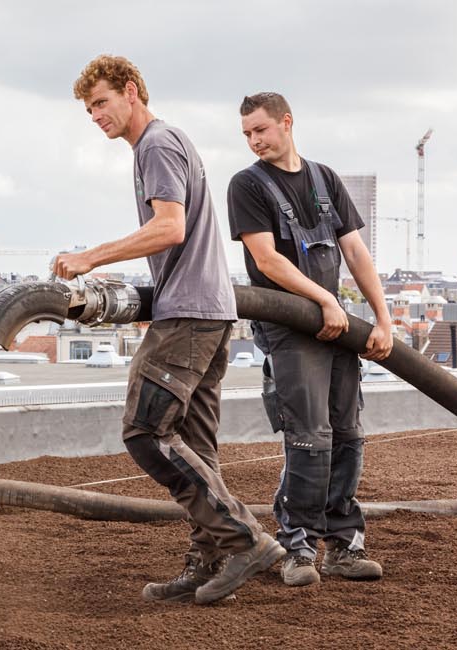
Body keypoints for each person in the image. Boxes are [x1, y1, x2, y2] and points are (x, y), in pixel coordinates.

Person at [56, 55, 284, 605]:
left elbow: (170, 226)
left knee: (145, 431)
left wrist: (90, 256)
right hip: (210, 312)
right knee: (196, 446)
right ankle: (209, 563)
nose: (95, 116)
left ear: (131, 92)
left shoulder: (157, 143)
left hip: (187, 316)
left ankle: (244, 541)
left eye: (102, 103)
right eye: (89, 110)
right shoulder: (162, 144)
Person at [227, 92, 391, 586]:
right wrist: (325, 299)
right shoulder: (247, 186)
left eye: (261, 130)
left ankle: (343, 545)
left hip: (338, 324)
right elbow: (267, 260)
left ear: (286, 123)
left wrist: (382, 320)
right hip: (291, 327)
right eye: (247, 135)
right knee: (309, 438)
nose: (254, 141)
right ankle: (297, 547)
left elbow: (356, 253)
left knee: (348, 434)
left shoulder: (324, 180)